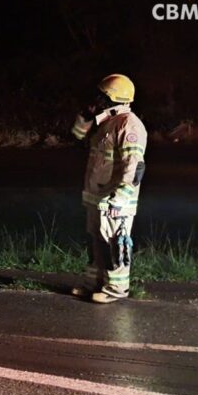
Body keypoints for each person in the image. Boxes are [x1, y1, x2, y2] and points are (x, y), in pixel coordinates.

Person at [70, 74, 147, 304]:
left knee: (115, 245)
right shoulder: (104, 121)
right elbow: (77, 136)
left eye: (103, 96)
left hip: (115, 199)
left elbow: (134, 165)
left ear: (115, 98)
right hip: (97, 196)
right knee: (96, 243)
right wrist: (85, 116)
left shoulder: (129, 125)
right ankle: (93, 283)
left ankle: (116, 289)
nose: (99, 100)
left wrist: (120, 197)